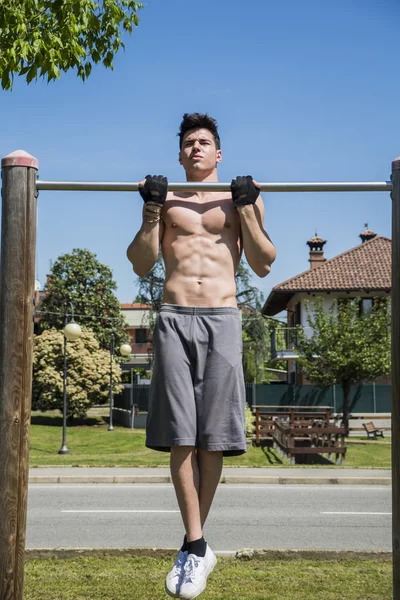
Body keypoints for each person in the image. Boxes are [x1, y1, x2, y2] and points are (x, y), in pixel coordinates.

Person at [127, 113, 276, 599]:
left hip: (223, 317)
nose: (195, 148)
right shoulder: (164, 198)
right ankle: (197, 545)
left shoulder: (240, 198)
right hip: (173, 316)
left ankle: (194, 549)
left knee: (213, 440)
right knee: (180, 440)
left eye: (204, 142)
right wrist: (151, 213)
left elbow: (263, 262)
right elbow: (141, 262)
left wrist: (249, 210)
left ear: (218, 154)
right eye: (188, 142)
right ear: (179, 154)